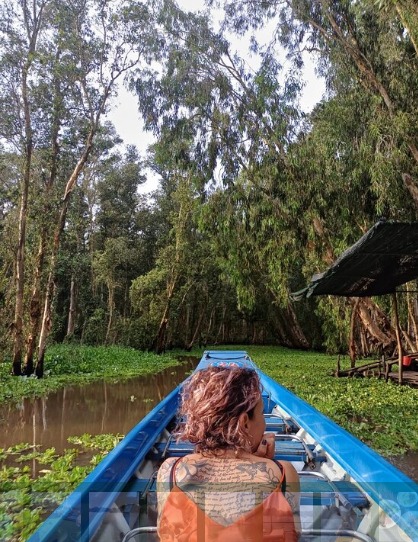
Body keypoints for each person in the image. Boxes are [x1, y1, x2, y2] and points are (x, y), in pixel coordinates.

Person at [157, 365, 300, 541]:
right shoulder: (284, 474)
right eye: (262, 413)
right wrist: (267, 464)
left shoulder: (170, 471)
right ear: (244, 422)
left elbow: (166, 533)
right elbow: (292, 535)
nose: (264, 424)